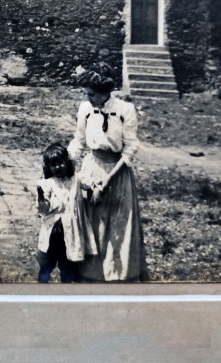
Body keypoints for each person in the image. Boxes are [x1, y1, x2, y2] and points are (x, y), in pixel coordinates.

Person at [67, 66, 147, 282]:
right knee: (91, 221)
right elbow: (80, 140)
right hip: (91, 168)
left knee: (117, 223)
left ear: (104, 93)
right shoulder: (85, 108)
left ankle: (117, 274)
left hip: (117, 172)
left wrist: (108, 181)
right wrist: (69, 163)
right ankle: (89, 273)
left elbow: (130, 149)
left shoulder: (124, 110)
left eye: (91, 94)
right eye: (86, 94)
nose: (88, 98)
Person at [35, 142, 97, 283]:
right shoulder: (47, 184)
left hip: (71, 234)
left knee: (68, 266)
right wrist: (40, 197)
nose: (58, 167)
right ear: (48, 167)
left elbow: (92, 183)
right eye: (53, 165)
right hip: (54, 234)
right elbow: (43, 209)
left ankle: (66, 291)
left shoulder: (76, 179)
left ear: (67, 162)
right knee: (46, 265)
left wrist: (95, 190)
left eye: (61, 163)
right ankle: (40, 290)